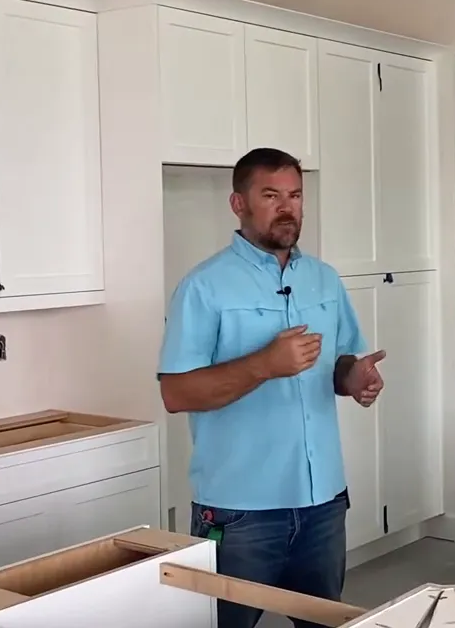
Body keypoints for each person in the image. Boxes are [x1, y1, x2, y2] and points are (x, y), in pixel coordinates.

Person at [157, 147, 386, 628]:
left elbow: (339, 362)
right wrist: (264, 364)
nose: (288, 207)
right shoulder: (203, 287)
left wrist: (354, 378)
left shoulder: (324, 279)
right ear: (238, 204)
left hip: (323, 501)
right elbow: (176, 394)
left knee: (325, 621)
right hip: (239, 512)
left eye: (296, 195)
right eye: (271, 195)